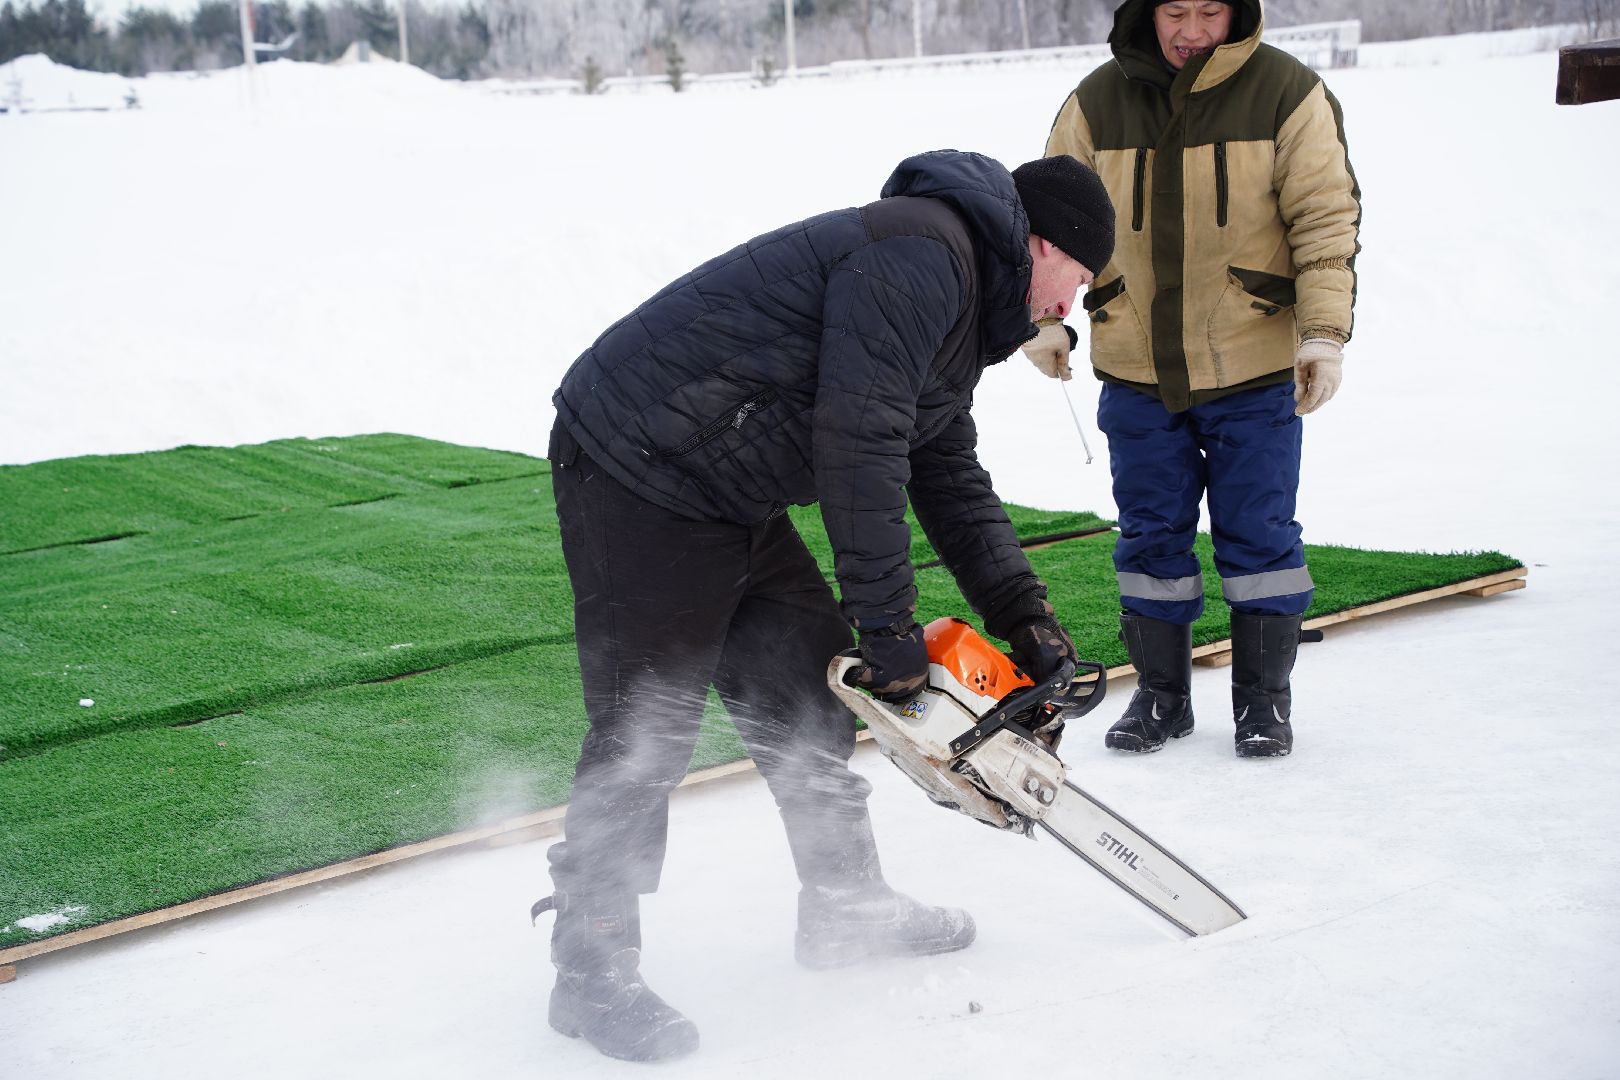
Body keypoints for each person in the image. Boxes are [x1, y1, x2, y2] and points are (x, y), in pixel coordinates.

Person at [539, 149, 1116, 1062]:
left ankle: (845, 907)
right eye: (1076, 281)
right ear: (1042, 244)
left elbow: (946, 470)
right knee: (645, 721)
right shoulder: (924, 257)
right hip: (637, 466)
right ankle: (590, 966)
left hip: (725, 483)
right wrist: (887, 627)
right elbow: (860, 444)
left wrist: (1026, 617)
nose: (1067, 309)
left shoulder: (960, 297)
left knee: (808, 685)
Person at [1022, 0, 1361, 759]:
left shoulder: (1287, 93)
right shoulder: (1095, 101)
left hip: (1254, 366)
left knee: (1261, 541)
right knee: (1149, 541)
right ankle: (1160, 698)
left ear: (1238, 12)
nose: (1192, 30)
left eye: (1210, 11)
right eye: (1176, 10)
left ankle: (1263, 705)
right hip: (1136, 370)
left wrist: (1322, 336)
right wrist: (1045, 316)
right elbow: (1049, 218)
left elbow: (1325, 222)